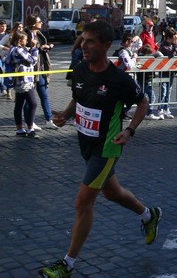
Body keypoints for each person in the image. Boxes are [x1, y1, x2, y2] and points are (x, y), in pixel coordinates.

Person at [38, 21, 161, 278]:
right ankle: (149, 215)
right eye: (83, 40)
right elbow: (78, 97)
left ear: (106, 45)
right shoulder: (81, 69)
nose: (84, 46)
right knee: (112, 193)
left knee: (83, 203)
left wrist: (129, 131)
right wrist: (66, 115)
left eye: (90, 41)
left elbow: (143, 103)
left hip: (106, 148)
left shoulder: (118, 79)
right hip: (85, 144)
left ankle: (67, 263)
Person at [25, 14, 58, 130]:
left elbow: (39, 49)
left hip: (41, 68)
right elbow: (25, 50)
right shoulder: (26, 35)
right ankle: (29, 122)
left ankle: (48, 119)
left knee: (44, 95)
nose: (41, 23)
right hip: (30, 70)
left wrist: (47, 47)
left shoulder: (39, 34)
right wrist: (39, 48)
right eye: (39, 21)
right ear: (34, 23)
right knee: (29, 99)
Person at [8, 31, 39, 138]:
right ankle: (30, 128)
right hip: (24, 80)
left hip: (22, 79)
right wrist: (35, 48)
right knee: (33, 103)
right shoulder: (18, 50)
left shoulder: (16, 49)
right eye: (25, 40)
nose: (27, 42)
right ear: (20, 41)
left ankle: (20, 129)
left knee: (19, 104)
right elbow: (32, 60)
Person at [157, 27, 177, 119]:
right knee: (163, 91)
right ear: (168, 38)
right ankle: (160, 109)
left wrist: (175, 48)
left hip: (172, 71)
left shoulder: (174, 44)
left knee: (169, 91)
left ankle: (166, 109)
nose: (174, 40)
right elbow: (170, 55)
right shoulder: (163, 46)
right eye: (173, 38)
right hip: (163, 71)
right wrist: (176, 45)